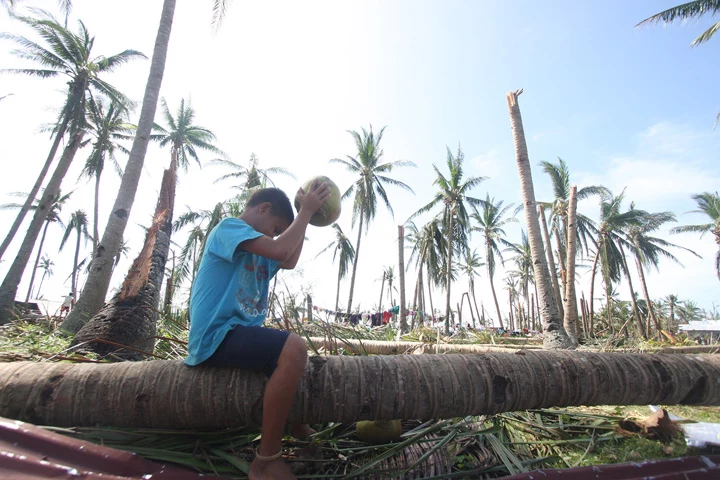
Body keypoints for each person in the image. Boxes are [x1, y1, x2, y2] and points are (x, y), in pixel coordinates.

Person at [185, 183, 329, 480]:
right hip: (217, 334)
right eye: (275, 227)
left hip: (237, 333)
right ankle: (266, 460)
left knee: (290, 359)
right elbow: (280, 247)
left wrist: (306, 217)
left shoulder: (262, 248)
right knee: (294, 348)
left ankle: (297, 423)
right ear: (263, 208)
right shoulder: (229, 228)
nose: (274, 236)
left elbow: (287, 258)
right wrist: (305, 212)